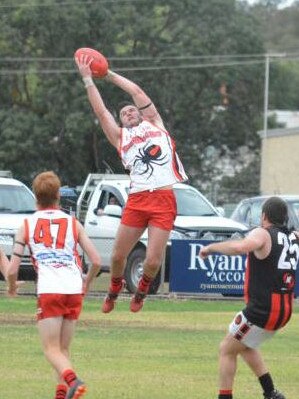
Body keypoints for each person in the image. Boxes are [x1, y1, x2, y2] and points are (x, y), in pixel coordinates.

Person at [75, 53, 187, 313]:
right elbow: (101, 112)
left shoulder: (156, 124)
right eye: (124, 113)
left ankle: (142, 290)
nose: (129, 113)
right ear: (121, 121)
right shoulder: (120, 137)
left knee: (152, 260)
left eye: (132, 110)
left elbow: (136, 91)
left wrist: (109, 75)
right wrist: (88, 80)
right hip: (137, 198)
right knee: (116, 256)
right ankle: (114, 288)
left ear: (142, 114)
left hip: (163, 198)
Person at [6, 171, 101, 399]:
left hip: (50, 289)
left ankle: (73, 381)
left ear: (35, 196)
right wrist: (86, 284)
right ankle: (62, 395)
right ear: (58, 195)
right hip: (73, 288)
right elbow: (96, 261)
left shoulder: (27, 224)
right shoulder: (73, 223)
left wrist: (11, 287)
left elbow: (12, 269)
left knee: (51, 349)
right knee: (62, 350)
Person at [199, 196, 299, 399]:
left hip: (263, 310)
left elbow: (240, 247)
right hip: (285, 309)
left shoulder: (262, 233)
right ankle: (271, 393)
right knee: (244, 344)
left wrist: (210, 248)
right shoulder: (294, 236)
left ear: (264, 216)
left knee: (227, 348)